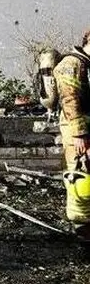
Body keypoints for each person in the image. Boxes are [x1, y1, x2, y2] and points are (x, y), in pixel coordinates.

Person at [54, 29, 90, 240]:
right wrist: (79, 134)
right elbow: (69, 100)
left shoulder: (86, 65)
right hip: (77, 131)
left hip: (86, 130)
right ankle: (82, 228)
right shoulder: (71, 64)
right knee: (80, 175)